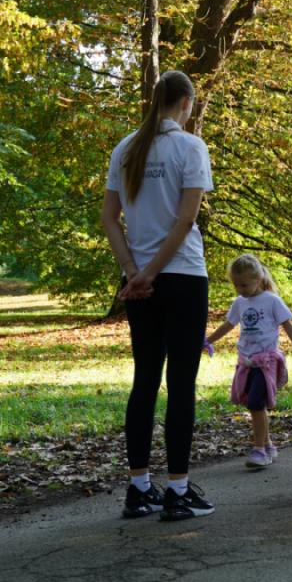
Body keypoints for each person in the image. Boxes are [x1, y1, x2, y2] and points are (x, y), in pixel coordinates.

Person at [102, 71, 215, 522]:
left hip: (140, 285)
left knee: (145, 380)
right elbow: (185, 221)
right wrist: (149, 272)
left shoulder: (126, 147)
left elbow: (110, 218)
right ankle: (178, 490)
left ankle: (138, 486)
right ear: (186, 103)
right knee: (181, 384)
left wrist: (134, 272)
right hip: (183, 275)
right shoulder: (191, 147)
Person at [205, 254, 292, 469]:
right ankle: (268, 444)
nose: (240, 289)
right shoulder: (239, 303)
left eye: (244, 284)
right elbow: (228, 325)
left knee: (256, 403)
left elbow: (289, 327)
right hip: (247, 362)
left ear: (258, 279)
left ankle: (259, 450)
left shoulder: (271, 300)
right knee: (253, 403)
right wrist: (207, 341)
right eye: (236, 285)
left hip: (267, 361)